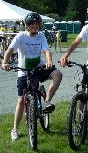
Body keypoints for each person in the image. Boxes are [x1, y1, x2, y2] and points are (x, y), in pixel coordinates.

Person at [1, 12, 63, 141]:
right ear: (27, 26)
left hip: (38, 68)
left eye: (37, 24)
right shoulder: (21, 36)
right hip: (23, 72)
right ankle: (15, 129)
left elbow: (46, 50)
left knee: (58, 74)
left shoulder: (41, 36)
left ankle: (46, 102)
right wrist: (5, 62)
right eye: (32, 24)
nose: (35, 26)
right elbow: (10, 50)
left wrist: (49, 61)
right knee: (21, 101)